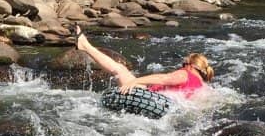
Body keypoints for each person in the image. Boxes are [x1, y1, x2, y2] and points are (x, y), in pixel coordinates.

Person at [74, 26, 213, 97]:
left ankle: (85, 45)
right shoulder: (202, 86)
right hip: (164, 104)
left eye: (184, 64)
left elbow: (163, 79)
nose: (182, 67)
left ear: (191, 65)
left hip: (148, 96)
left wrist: (134, 82)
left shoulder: (186, 74)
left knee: (120, 69)